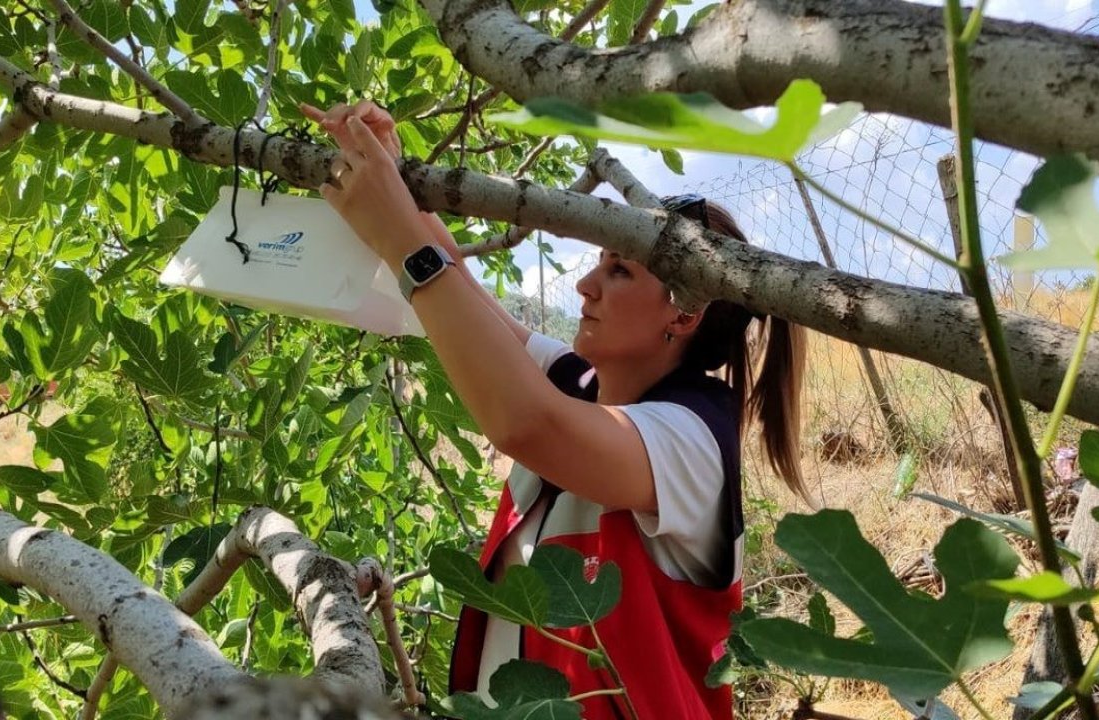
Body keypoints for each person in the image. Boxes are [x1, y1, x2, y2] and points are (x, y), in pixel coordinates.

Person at [301, 100, 808, 720]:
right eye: (598, 263)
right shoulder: (581, 385)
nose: (585, 286)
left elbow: (526, 424)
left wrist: (400, 238)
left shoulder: (692, 435)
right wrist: (395, 176)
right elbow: (462, 288)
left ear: (685, 312)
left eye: (619, 271)